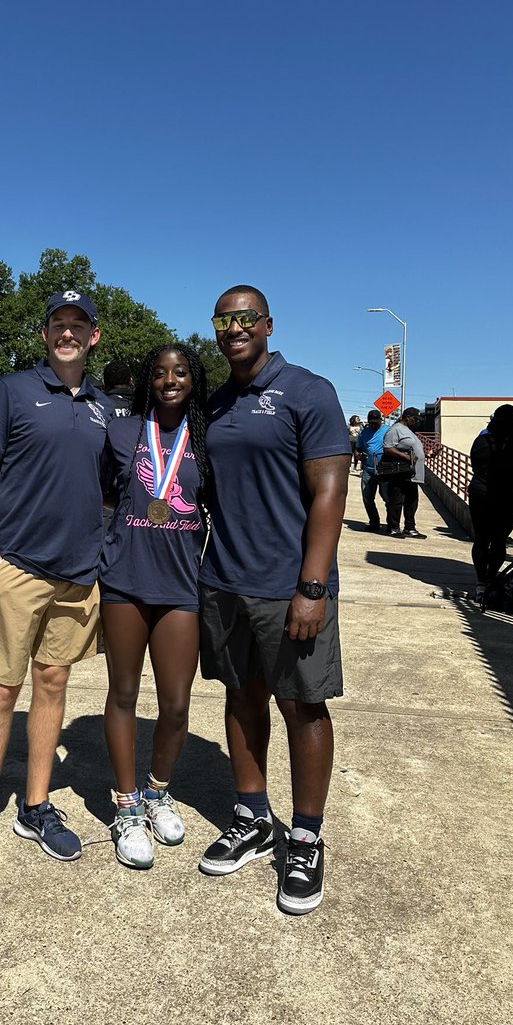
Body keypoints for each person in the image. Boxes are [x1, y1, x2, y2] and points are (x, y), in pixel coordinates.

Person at [0, 290, 113, 900]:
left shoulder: (102, 406)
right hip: (17, 569)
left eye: (78, 325)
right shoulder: (12, 391)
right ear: (46, 334)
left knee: (53, 684)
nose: (67, 333)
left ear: (94, 336)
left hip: (79, 575)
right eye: (58, 324)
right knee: (1, 692)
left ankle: (37, 806)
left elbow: (105, 488)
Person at [198, 285, 349, 916]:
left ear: (267, 324)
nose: (235, 329)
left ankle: (306, 834)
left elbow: (331, 489)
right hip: (226, 580)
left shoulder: (307, 392)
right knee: (241, 695)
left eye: (245, 319)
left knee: (303, 705)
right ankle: (253, 816)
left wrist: (311, 587)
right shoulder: (219, 400)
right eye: (223, 320)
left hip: (290, 586)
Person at [98, 344, 210, 869]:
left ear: (193, 379)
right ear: (147, 380)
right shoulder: (122, 433)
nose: (170, 380)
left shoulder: (206, 438)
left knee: (177, 703)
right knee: (122, 694)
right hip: (124, 581)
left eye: (180, 372)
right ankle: (126, 806)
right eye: (160, 373)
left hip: (182, 585)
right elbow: (104, 497)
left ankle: (158, 791)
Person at [468, 404, 513, 598]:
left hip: (480, 492)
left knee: (481, 537)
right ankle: (491, 577)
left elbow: (475, 465)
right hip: (508, 494)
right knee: (499, 539)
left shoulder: (481, 441)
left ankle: (481, 581)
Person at [382, 408, 426, 539]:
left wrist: (427, 455)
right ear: (407, 417)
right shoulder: (395, 430)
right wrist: (407, 458)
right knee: (396, 500)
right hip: (400, 472)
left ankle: (410, 528)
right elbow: (388, 448)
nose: (416, 422)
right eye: (415, 419)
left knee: (412, 501)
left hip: (412, 474)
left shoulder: (409, 431)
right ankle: (393, 527)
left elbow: (413, 449)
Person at [355, 410, 388, 531]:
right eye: (371, 423)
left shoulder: (387, 430)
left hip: (384, 470)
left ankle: (391, 524)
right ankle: (374, 522)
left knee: (387, 497)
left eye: (376, 423)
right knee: (367, 497)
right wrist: (359, 455)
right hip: (368, 469)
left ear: (381, 421)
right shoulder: (364, 432)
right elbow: (357, 449)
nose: (374, 425)